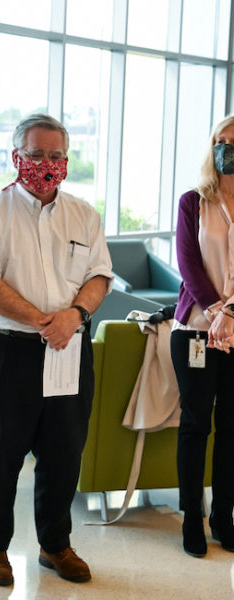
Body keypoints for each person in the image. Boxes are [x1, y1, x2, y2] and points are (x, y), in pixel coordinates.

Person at [0, 114, 113, 586]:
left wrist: (75, 316)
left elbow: (100, 275)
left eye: (56, 156)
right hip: (5, 350)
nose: (47, 164)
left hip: (68, 350)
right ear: (16, 158)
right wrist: (45, 321)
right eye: (37, 154)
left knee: (64, 453)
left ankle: (55, 544)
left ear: (67, 161)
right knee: (2, 457)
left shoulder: (83, 213)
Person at [171, 115, 234, 559]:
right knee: (195, 426)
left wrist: (230, 313)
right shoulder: (193, 201)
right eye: (221, 141)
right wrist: (216, 312)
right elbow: (188, 264)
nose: (226, 148)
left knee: (231, 430)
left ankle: (223, 518)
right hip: (195, 330)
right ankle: (192, 518)